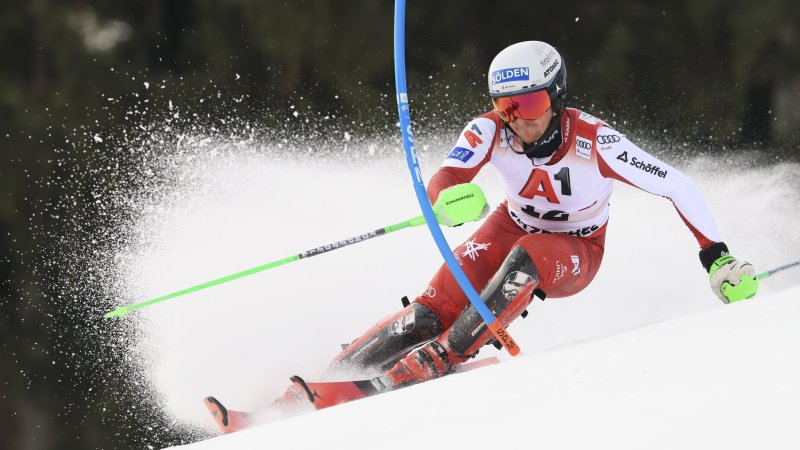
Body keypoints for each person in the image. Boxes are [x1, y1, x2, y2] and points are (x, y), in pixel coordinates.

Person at [205, 40, 760, 432]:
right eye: (507, 106)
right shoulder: (490, 129)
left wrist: (718, 257)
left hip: (575, 248)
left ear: (556, 97)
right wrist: (448, 197)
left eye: (532, 104)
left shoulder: (596, 142)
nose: (519, 119)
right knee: (432, 307)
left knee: (527, 257)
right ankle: (318, 385)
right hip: (511, 221)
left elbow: (678, 185)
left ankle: (439, 359)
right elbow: (447, 175)